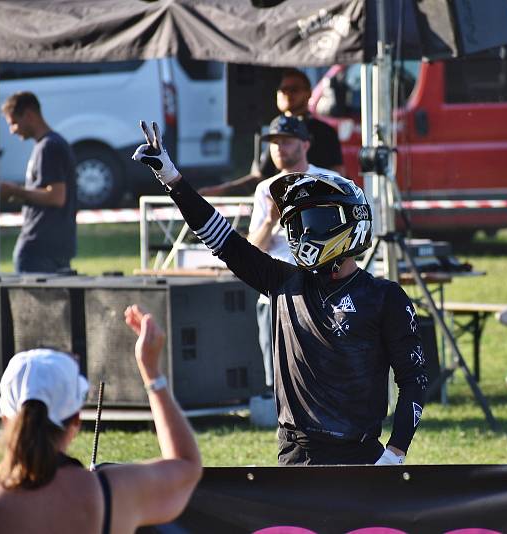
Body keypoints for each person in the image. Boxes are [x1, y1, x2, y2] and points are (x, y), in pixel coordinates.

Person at [133, 121, 426, 466]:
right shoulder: (282, 281)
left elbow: (414, 380)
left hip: (363, 459)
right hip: (295, 458)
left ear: (348, 223)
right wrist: (172, 179)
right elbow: (221, 238)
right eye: (297, 222)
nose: (300, 233)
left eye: (312, 221)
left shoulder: (385, 298)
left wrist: (395, 453)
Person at [0, 305, 202, 533]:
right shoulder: (112, 493)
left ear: (5, 419)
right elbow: (186, 467)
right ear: (75, 421)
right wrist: (151, 373)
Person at [248, 114, 340, 391]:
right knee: (279, 375)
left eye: (286, 141)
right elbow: (253, 249)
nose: (279, 148)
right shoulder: (265, 188)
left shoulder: (330, 180)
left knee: (323, 371)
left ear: (305, 144)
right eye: (274, 142)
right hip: (276, 293)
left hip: (321, 292)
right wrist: (271, 219)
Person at [199, 68, 344, 196]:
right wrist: (219, 191)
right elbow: (260, 177)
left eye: (294, 89)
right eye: (283, 89)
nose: (287, 93)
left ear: (308, 93)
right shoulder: (276, 128)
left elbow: (339, 175)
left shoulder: (324, 131)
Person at [0, 91, 77, 273]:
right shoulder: (51, 145)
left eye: (14, 123)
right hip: (53, 247)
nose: (12, 131)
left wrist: (14, 191)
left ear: (29, 115)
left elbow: (56, 196)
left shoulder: (49, 147)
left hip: (39, 249)